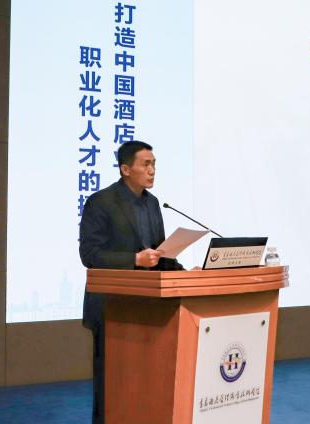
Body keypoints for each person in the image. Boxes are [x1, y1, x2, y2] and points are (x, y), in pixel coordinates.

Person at [79, 141, 183, 424]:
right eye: (145, 164)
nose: (152, 170)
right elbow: (90, 255)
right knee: (111, 385)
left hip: (149, 306)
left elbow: (159, 254)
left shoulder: (152, 203)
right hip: (111, 307)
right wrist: (135, 259)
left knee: (145, 383)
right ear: (126, 169)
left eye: (154, 164)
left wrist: (187, 272)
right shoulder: (101, 202)